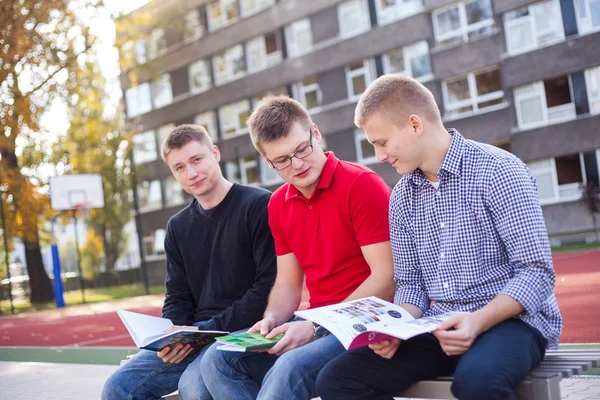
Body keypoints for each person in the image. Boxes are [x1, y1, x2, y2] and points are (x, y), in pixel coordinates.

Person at [316, 75, 563, 400]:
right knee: (337, 379)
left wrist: (477, 321)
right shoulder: (402, 196)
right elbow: (411, 285)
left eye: (382, 142)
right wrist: (393, 328)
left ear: (415, 124)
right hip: (439, 325)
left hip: (513, 322)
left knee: (477, 382)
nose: (379, 156)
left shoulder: (499, 171)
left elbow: (536, 272)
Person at [200, 95, 396, 400]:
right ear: (268, 162)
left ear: (315, 133)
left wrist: (318, 327)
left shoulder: (361, 184)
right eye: (282, 160)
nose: (298, 164)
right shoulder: (278, 203)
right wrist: (273, 318)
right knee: (217, 359)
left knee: (289, 366)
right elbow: (288, 282)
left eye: (302, 149)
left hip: (365, 318)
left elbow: (387, 277)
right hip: (316, 320)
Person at [101, 124, 277, 400]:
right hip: (196, 336)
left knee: (193, 387)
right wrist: (175, 337)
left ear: (215, 153)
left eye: (197, 160)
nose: (191, 173)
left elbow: (267, 288)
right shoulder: (178, 227)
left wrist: (201, 331)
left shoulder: (258, 205)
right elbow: (177, 296)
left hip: (249, 328)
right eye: (179, 167)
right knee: (117, 388)